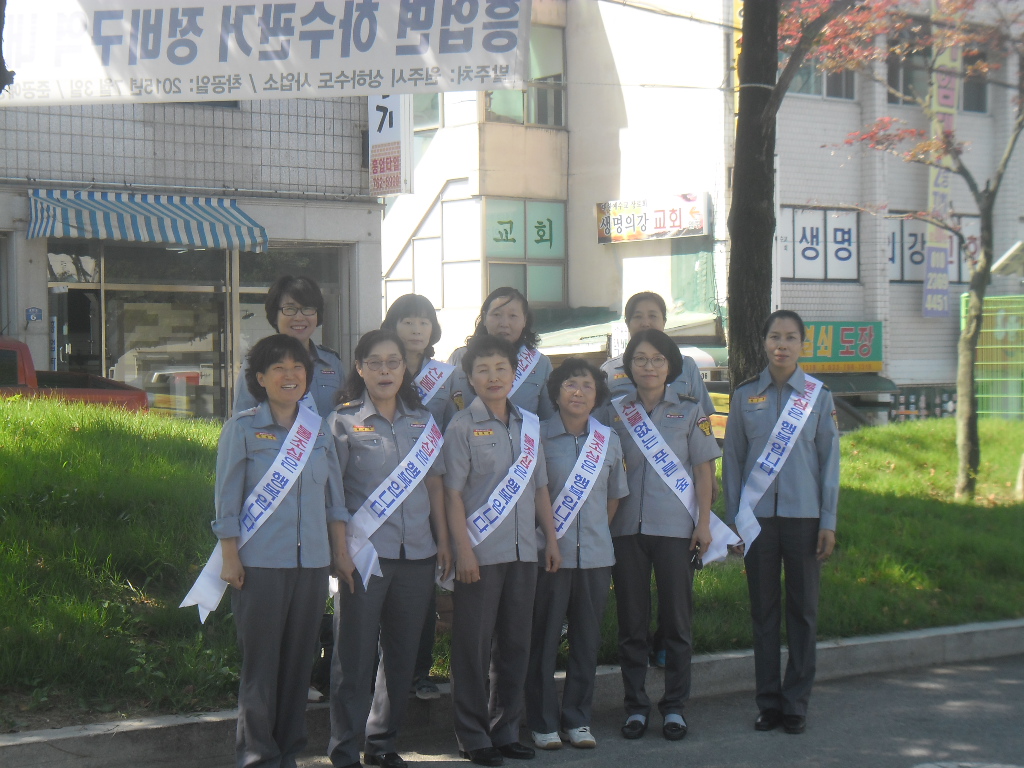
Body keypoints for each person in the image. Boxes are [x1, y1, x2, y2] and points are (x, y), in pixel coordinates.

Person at [213, 334, 348, 768]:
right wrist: (230, 556)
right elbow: (226, 499)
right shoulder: (242, 428)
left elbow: (334, 501)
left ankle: (289, 752)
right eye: (278, 368)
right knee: (262, 666)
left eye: (298, 368)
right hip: (260, 566)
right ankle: (257, 755)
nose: (290, 375)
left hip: (312, 565)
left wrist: (339, 552)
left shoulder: (318, 430)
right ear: (260, 378)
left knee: (298, 664)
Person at [327, 330, 452, 768]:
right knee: (354, 657)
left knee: (400, 658)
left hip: (417, 555)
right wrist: (339, 551)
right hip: (364, 557)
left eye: (393, 362)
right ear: (360, 368)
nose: (385, 371)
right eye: (375, 363)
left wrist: (443, 541)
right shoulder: (342, 422)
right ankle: (344, 748)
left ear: (404, 368)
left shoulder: (424, 421)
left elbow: (435, 485)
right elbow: (334, 496)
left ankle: (382, 744)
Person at [443, 334, 561, 767]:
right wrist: (463, 550)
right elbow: (452, 495)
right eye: (483, 370)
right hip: (480, 553)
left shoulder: (529, 425)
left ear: (514, 374)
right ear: (470, 378)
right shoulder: (461, 426)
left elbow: (541, 488)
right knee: (472, 648)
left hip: (524, 553)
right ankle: (473, 736)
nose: (493, 377)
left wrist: (550, 539)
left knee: (515, 645)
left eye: (501, 368)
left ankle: (506, 729)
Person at [722, 310, 839, 736]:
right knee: (764, 611)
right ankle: (768, 702)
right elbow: (732, 461)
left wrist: (828, 519)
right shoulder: (744, 396)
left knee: (803, 612)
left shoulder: (818, 397)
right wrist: (735, 519)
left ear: (802, 344)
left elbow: (829, 462)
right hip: (757, 523)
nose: (782, 345)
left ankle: (796, 703)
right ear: (764, 342)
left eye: (791, 337)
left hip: (805, 518)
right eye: (775, 337)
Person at [608, 328, 720, 742]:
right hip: (625, 530)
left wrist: (703, 524)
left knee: (676, 622)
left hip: (676, 530)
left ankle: (674, 706)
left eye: (657, 359)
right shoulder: (614, 412)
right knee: (631, 624)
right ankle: (635, 707)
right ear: (629, 366)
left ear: (670, 366)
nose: (649, 366)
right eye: (640, 359)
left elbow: (704, 472)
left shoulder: (691, 411)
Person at [599, 291, 717, 668]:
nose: (646, 321)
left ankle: (669, 658)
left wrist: (705, 514)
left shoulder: (687, 375)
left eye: (653, 315)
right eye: (638, 315)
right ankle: (634, 688)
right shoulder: (610, 377)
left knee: (676, 603)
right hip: (626, 513)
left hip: (676, 511)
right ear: (627, 323)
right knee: (631, 609)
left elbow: (703, 452)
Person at [525, 359, 628, 751]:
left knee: (586, 641)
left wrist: (593, 533)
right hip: (550, 555)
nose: (579, 392)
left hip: (597, 557)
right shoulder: (537, 437)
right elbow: (532, 495)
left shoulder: (608, 439)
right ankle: (543, 721)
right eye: (570, 384)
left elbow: (614, 497)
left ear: (597, 395)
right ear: (556, 393)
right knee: (544, 640)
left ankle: (578, 720)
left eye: (587, 385)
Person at [381, 293, 468, 701]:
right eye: (407, 321)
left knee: (423, 590)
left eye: (424, 322)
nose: (416, 330)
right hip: (381, 488)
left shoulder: (446, 377)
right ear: (392, 326)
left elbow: (455, 428)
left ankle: (419, 671)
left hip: (427, 488)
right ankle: (380, 674)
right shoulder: (381, 365)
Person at [234, 275, 344, 417]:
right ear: (275, 315)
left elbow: (344, 417)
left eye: (307, 308)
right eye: (290, 309)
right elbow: (242, 418)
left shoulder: (332, 362)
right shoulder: (256, 362)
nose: (299, 317)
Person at [448, 287, 555, 421]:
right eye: (497, 315)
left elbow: (549, 420)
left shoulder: (540, 364)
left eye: (513, 316)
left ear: (525, 320)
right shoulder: (460, 357)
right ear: (484, 318)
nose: (504, 323)